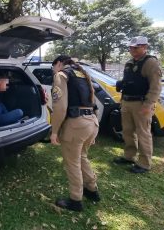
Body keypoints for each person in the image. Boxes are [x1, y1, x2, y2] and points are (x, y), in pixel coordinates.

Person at [49, 55, 100, 212]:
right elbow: (93, 101)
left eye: (53, 67)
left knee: (72, 163)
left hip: (76, 124)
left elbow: (60, 108)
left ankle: (75, 200)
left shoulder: (61, 75)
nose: (54, 71)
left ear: (58, 63)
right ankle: (92, 190)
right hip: (91, 121)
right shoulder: (82, 73)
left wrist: (54, 132)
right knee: (82, 157)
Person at [114, 36, 162, 174]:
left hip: (142, 103)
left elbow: (156, 87)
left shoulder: (150, 62)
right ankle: (129, 156)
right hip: (127, 102)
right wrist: (122, 100)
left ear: (145, 47)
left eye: (136, 47)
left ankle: (144, 163)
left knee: (143, 133)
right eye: (130, 47)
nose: (132, 50)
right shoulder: (129, 63)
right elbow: (127, 82)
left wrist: (148, 104)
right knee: (128, 131)